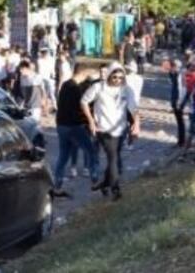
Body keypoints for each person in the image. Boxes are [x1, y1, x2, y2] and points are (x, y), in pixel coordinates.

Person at [81, 62, 139, 200]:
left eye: (120, 77)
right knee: (113, 158)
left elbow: (134, 108)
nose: (117, 80)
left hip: (120, 129)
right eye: (114, 77)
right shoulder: (98, 87)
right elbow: (83, 101)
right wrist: (91, 120)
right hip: (103, 129)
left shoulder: (127, 90)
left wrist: (136, 124)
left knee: (115, 157)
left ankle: (105, 184)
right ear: (109, 76)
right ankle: (115, 189)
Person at [51, 64, 99, 196]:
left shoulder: (65, 85)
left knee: (63, 156)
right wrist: (88, 122)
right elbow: (78, 109)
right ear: (82, 73)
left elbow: (62, 107)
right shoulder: (75, 89)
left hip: (61, 126)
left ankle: (57, 185)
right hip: (74, 126)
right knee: (91, 151)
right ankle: (95, 180)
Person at [168, 59, 187, 147]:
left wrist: (179, 102)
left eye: (172, 66)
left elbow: (180, 89)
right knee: (179, 121)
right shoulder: (174, 74)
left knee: (180, 121)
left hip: (178, 101)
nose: (171, 68)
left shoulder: (179, 75)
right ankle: (180, 140)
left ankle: (181, 141)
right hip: (175, 100)